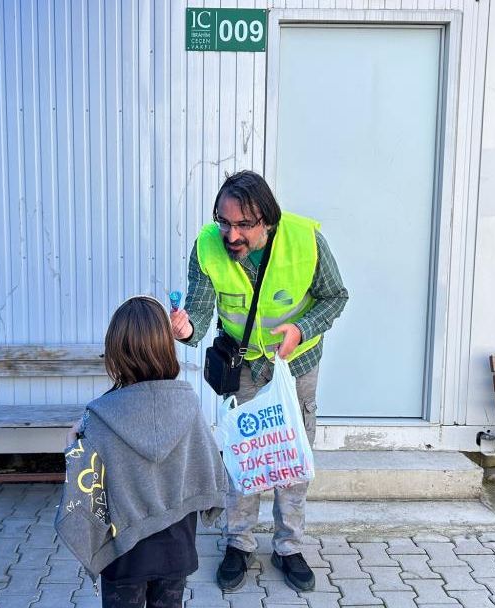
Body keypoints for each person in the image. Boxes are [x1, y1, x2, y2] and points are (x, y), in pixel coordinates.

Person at [169, 170, 348, 592]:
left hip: (296, 364)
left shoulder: (306, 241)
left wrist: (301, 328)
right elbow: (200, 310)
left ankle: (289, 546)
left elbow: (336, 296)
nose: (231, 235)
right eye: (223, 222)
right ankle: (239, 543)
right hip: (244, 364)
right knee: (243, 455)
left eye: (243, 224)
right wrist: (186, 329)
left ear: (267, 219)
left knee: (291, 456)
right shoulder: (207, 246)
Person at [55, 296, 229, 608]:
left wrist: (72, 442)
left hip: (123, 553)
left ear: (115, 353)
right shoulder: (189, 405)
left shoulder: (99, 417)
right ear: (166, 348)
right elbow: (210, 468)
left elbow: (83, 489)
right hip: (176, 549)